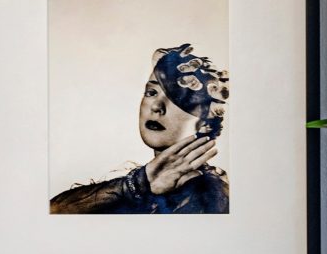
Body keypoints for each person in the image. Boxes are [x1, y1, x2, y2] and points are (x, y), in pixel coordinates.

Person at [50, 43, 230, 214]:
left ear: (206, 122)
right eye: (151, 93)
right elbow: (54, 211)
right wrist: (140, 182)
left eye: (178, 99)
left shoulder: (210, 195)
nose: (156, 106)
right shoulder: (144, 180)